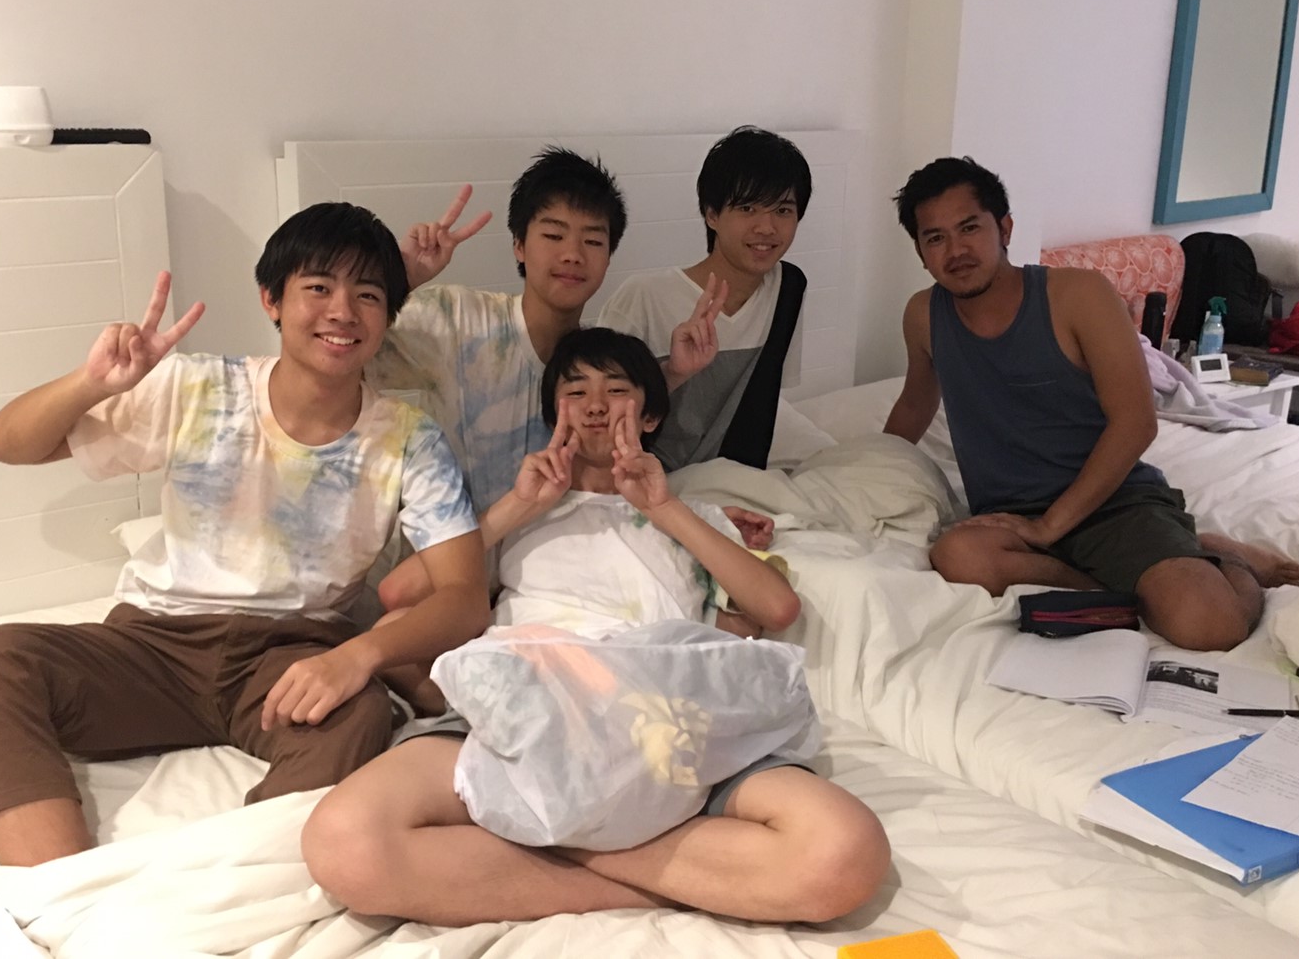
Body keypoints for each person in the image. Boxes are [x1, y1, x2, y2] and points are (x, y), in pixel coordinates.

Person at [0, 203, 488, 866]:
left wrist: (357, 656)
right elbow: (5, 443)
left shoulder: (409, 439)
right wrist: (91, 384)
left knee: (361, 714)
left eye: (367, 295)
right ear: (271, 299)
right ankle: (60, 882)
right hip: (154, 647)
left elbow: (464, 598)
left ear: (388, 315)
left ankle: (227, 876)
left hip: (288, 656)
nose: (342, 311)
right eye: (318, 287)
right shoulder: (196, 388)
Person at [300, 328, 890, 926]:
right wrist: (519, 506)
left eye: (617, 389)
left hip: (667, 722)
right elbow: (401, 593)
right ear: (553, 414)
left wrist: (664, 507)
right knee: (345, 843)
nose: (596, 405)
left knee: (844, 853)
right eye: (576, 391)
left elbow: (777, 609)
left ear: (651, 414)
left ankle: (559, 839)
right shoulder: (521, 512)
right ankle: (680, 876)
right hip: (528, 708)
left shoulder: (689, 515)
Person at [883, 156, 1299, 652]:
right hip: (1010, 517)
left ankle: (1227, 559)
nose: (956, 251)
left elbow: (1136, 423)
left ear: (1005, 229)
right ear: (921, 253)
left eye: (969, 228)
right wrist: (863, 472)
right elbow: (915, 405)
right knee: (957, 557)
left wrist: (1050, 526)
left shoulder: (1077, 295)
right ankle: (1138, 586)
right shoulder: (923, 316)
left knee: (1210, 627)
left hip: (1113, 503)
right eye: (935, 238)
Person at [369, 148, 769, 611]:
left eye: (593, 241)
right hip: (445, 577)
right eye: (553, 235)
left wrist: (675, 375)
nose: (573, 255)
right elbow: (344, 351)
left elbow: (613, 441)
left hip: (543, 577)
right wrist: (401, 280)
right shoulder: (458, 319)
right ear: (519, 245)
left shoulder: (593, 358)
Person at [599, 125, 812, 471]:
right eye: (747, 208)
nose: (767, 227)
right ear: (712, 214)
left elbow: (764, 404)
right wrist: (671, 372)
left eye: (783, 210)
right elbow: (599, 417)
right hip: (645, 478)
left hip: (737, 478)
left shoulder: (788, 289)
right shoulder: (644, 298)